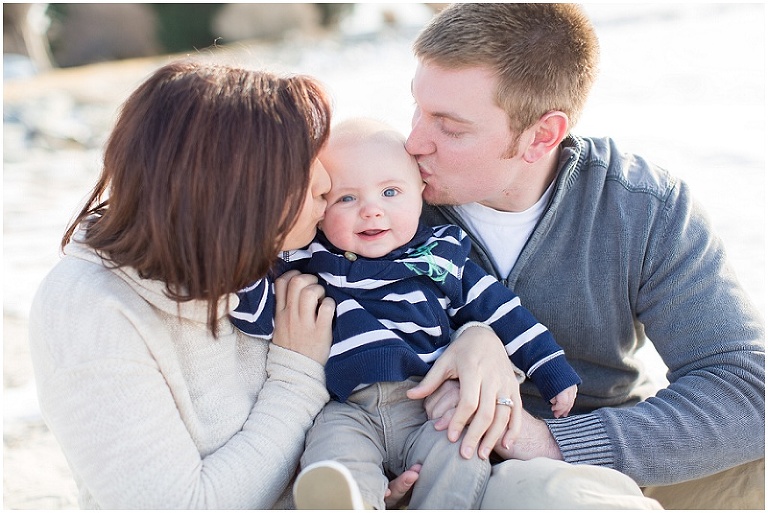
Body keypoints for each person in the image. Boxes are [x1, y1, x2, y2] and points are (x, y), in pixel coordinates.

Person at [403, 3, 764, 510]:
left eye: (450, 128)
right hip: (451, 461)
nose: (414, 141)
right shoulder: (373, 199)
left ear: (542, 136)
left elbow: (748, 388)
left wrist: (549, 442)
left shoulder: (642, 207)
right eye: (418, 108)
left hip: (609, 451)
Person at [25, 60, 431, 509]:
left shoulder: (290, 253)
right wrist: (297, 376)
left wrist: (476, 340)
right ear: (235, 182)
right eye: (299, 160)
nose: (325, 181)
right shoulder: (89, 308)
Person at [231, 117, 581, 509]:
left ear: (421, 193)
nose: (371, 211)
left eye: (390, 192)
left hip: (428, 404)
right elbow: (259, 313)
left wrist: (550, 368)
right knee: (333, 457)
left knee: (463, 451)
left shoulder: (439, 257)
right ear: (320, 209)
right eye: (346, 199)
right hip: (347, 409)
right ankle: (351, 502)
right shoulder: (310, 261)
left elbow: (501, 310)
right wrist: (243, 260)